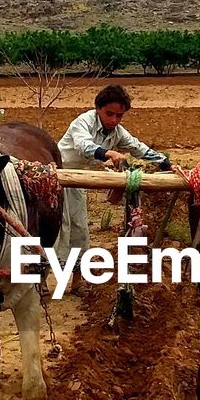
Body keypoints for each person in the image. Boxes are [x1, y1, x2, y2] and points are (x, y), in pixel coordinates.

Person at [57, 84, 172, 291]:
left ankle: (77, 281)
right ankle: (41, 281)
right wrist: (108, 154)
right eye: (109, 114)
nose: (114, 120)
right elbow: (84, 145)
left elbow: (138, 148)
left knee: (80, 229)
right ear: (98, 108)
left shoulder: (117, 132)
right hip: (58, 177)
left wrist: (167, 164)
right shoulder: (82, 122)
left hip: (78, 181)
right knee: (58, 229)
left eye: (119, 116)